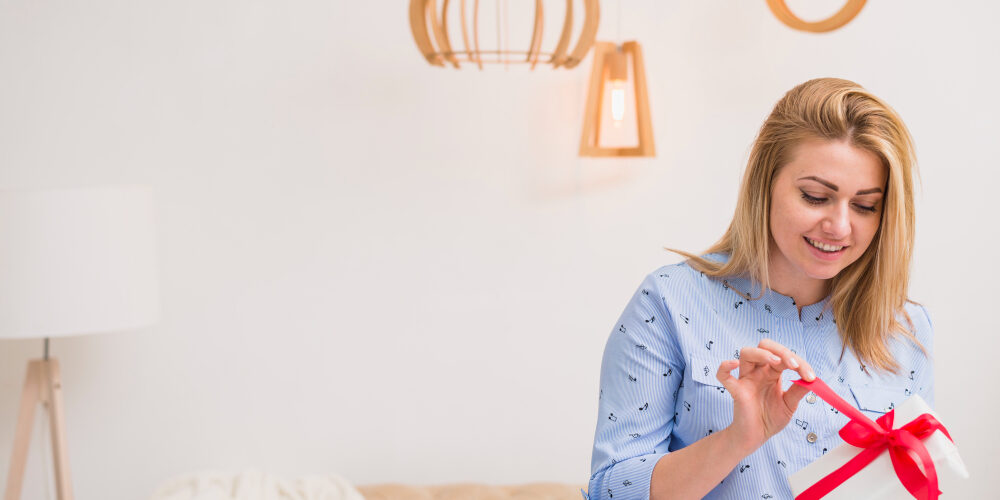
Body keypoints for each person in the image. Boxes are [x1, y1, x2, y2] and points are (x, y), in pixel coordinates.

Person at [586, 78, 933, 500]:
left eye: (865, 206)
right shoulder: (669, 302)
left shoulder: (906, 329)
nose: (840, 227)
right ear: (765, 183)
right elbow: (611, 490)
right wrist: (736, 440)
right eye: (815, 196)